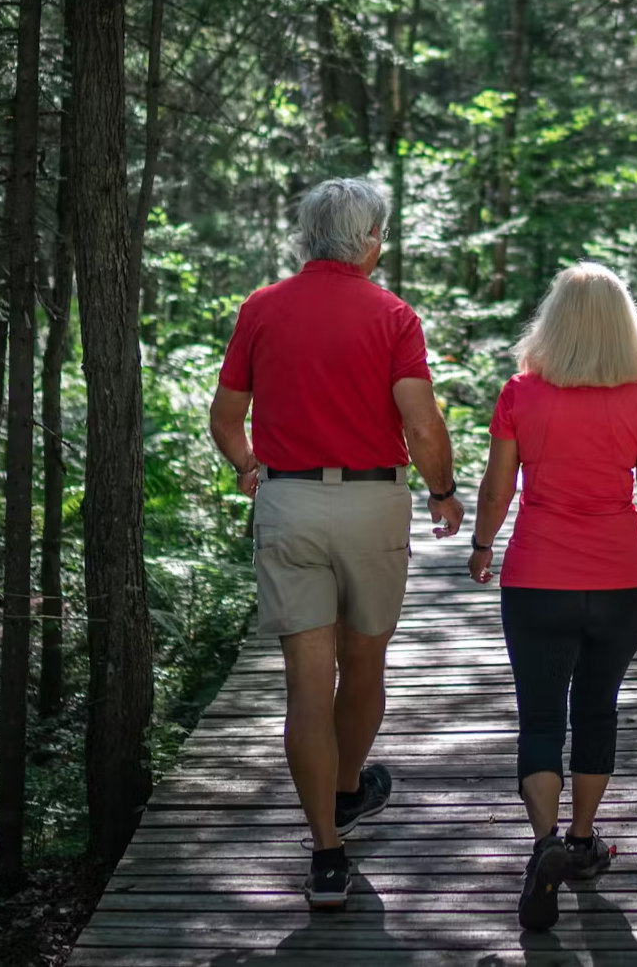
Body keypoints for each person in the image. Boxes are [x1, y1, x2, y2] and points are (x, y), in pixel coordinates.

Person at [208, 177, 465, 909]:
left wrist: (249, 468)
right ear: (370, 240)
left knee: (303, 683)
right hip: (371, 501)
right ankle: (349, 788)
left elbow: (226, 418)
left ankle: (326, 851)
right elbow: (419, 425)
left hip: (287, 501)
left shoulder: (261, 308)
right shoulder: (392, 316)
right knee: (365, 661)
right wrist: (442, 491)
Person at [466, 262, 637, 932]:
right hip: (622, 582)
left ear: (553, 323)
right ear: (622, 328)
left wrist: (482, 545)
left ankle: (544, 847)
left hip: (537, 581)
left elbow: (497, 488)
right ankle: (581, 841)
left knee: (540, 720)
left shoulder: (520, 393)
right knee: (596, 711)